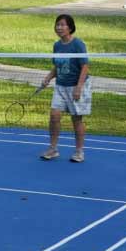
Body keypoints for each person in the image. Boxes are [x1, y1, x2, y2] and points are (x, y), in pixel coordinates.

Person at [38, 14, 91, 163]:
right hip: (61, 86)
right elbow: (57, 66)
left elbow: (85, 67)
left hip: (77, 85)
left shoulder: (78, 44)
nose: (59, 28)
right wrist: (48, 78)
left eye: (62, 25)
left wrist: (79, 88)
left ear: (70, 27)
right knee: (54, 116)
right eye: (57, 25)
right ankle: (53, 149)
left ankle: (79, 151)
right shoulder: (57, 45)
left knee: (76, 119)